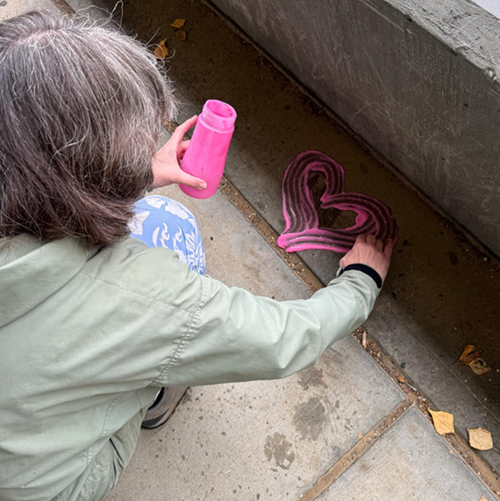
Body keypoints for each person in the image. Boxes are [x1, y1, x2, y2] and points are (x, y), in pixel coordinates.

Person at [0, 11, 394, 501]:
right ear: (89, 158)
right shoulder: (136, 298)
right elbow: (282, 339)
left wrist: (131, 176)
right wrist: (360, 281)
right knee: (166, 224)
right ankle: (158, 401)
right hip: (45, 488)